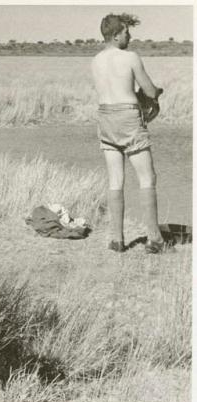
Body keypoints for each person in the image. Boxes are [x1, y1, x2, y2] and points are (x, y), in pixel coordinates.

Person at [91, 13, 166, 253]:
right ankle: (154, 241)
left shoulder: (96, 60)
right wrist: (156, 92)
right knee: (148, 178)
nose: (129, 36)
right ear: (115, 35)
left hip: (105, 116)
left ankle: (117, 240)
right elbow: (150, 91)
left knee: (115, 180)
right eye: (126, 32)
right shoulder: (131, 57)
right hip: (127, 117)